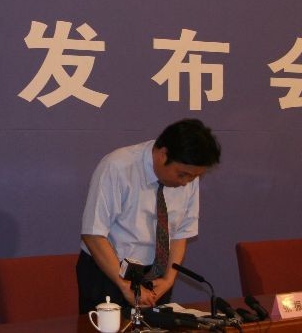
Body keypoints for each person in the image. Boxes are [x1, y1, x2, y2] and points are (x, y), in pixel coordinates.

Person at [76, 118, 221, 313]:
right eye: (182, 174)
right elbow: (93, 234)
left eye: (194, 177)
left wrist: (168, 279)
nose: (186, 182)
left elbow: (180, 234)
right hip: (109, 272)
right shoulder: (118, 167)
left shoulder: (188, 177)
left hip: (156, 277)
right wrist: (124, 284)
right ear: (163, 154)